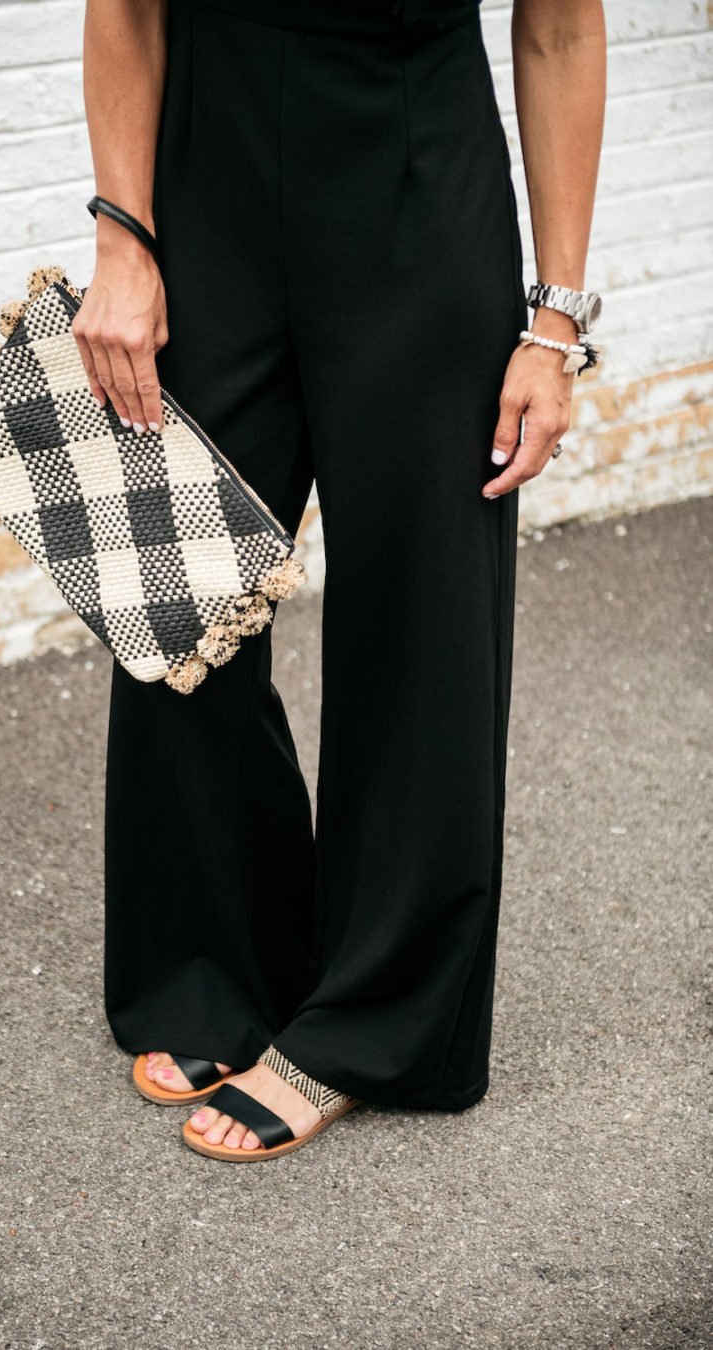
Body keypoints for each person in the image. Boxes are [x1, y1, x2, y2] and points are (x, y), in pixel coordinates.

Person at [72, 0, 606, 1161]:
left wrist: (554, 327)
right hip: (205, 173)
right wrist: (124, 235)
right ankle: (220, 960)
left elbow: (562, 26)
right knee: (177, 586)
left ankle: (377, 1024)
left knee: (421, 617)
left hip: (416, 163)